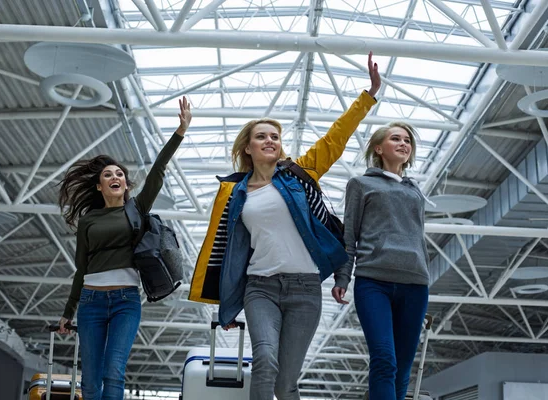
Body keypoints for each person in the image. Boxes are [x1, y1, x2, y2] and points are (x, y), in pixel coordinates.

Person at [188, 53, 381, 400]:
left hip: (305, 288)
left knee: (286, 382)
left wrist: (367, 96)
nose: (270, 141)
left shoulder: (299, 174)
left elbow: (334, 140)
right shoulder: (235, 194)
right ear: (248, 147)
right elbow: (226, 251)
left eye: (275, 136)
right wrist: (226, 305)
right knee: (265, 360)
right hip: (260, 287)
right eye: (261, 136)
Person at [57, 97, 192, 400]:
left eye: (119, 174)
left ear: (126, 185)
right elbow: (81, 268)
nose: (114, 177)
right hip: (91, 302)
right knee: (90, 381)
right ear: (99, 187)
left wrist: (180, 132)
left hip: (125, 302)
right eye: (108, 175)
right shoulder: (89, 220)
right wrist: (68, 313)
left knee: (113, 372)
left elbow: (158, 169)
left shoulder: (137, 209)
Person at [332, 121, 430, 400]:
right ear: (378, 148)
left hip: (415, 284)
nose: (403, 144)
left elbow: (418, 237)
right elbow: (349, 235)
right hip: (374, 282)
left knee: (403, 369)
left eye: (408, 141)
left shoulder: (415, 191)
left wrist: (425, 274)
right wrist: (343, 277)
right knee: (384, 358)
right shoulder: (361, 184)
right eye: (395, 139)